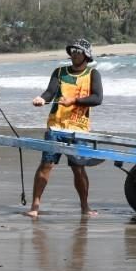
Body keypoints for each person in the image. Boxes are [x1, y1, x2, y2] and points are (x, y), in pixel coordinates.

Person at [24, 38, 103, 218]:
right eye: (72, 51)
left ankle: (85, 206)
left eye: (78, 52)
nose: (74, 54)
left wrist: (74, 100)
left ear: (86, 55)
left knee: (78, 168)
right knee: (46, 165)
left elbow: (97, 98)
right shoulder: (59, 72)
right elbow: (50, 92)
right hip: (56, 126)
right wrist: (42, 99)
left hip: (79, 129)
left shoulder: (93, 74)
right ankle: (35, 205)